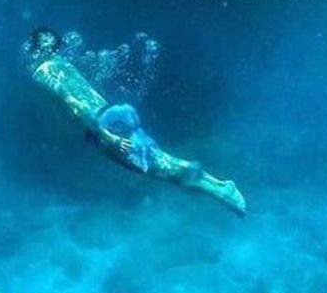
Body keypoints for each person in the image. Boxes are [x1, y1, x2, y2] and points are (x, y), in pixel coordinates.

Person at [23, 28, 247, 217]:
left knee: (158, 167)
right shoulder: (61, 63)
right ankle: (218, 187)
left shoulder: (43, 72)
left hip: (103, 128)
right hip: (111, 116)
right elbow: (84, 98)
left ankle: (221, 190)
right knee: (160, 161)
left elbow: (75, 106)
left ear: (34, 49)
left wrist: (109, 138)